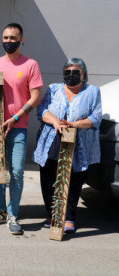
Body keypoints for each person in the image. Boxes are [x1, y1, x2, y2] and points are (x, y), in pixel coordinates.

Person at [0, 23, 43, 235]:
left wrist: (16, 116)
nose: (8, 41)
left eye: (13, 38)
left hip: (18, 126)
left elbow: (35, 97)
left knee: (16, 172)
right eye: (5, 38)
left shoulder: (31, 65)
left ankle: (13, 214)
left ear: (21, 40)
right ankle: (0, 210)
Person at [33, 58, 101, 233]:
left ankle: (69, 216)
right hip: (52, 139)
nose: (71, 75)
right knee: (48, 177)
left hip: (78, 140)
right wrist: (56, 122)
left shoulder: (93, 92)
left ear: (83, 74)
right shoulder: (54, 89)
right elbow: (41, 110)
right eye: (67, 72)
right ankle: (53, 214)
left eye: (76, 72)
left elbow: (95, 118)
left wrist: (74, 125)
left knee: (74, 178)